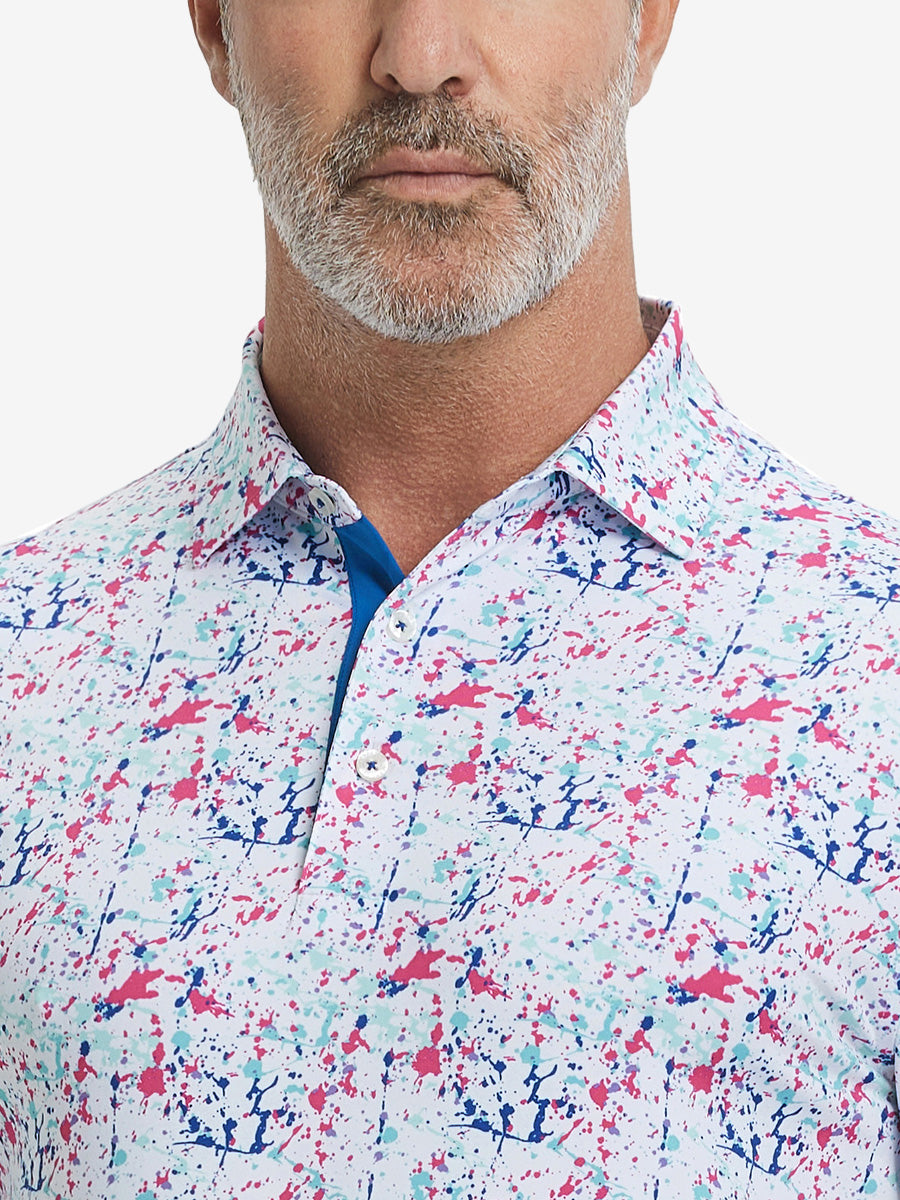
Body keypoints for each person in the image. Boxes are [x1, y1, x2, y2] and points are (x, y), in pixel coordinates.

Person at [0, 0, 897, 1196]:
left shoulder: (873, 670)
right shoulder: (23, 672)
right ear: (214, 23)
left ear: (649, 17)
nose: (420, 58)